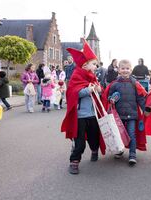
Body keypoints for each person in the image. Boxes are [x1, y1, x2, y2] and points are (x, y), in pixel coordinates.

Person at [61, 41, 105, 175]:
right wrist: (88, 90)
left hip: (93, 115)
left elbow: (100, 91)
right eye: (94, 64)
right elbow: (73, 93)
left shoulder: (92, 76)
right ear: (85, 65)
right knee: (79, 142)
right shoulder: (77, 75)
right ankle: (74, 162)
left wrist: (99, 89)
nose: (96, 66)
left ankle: (94, 150)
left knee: (94, 137)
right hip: (80, 116)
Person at [102, 59, 147, 166]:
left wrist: (145, 109)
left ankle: (132, 154)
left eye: (127, 69)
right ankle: (120, 150)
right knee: (119, 134)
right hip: (118, 115)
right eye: (123, 68)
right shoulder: (114, 84)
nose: (125, 71)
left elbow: (140, 98)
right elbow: (109, 97)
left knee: (131, 134)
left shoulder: (135, 83)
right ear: (119, 70)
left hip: (132, 114)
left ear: (131, 70)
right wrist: (111, 99)